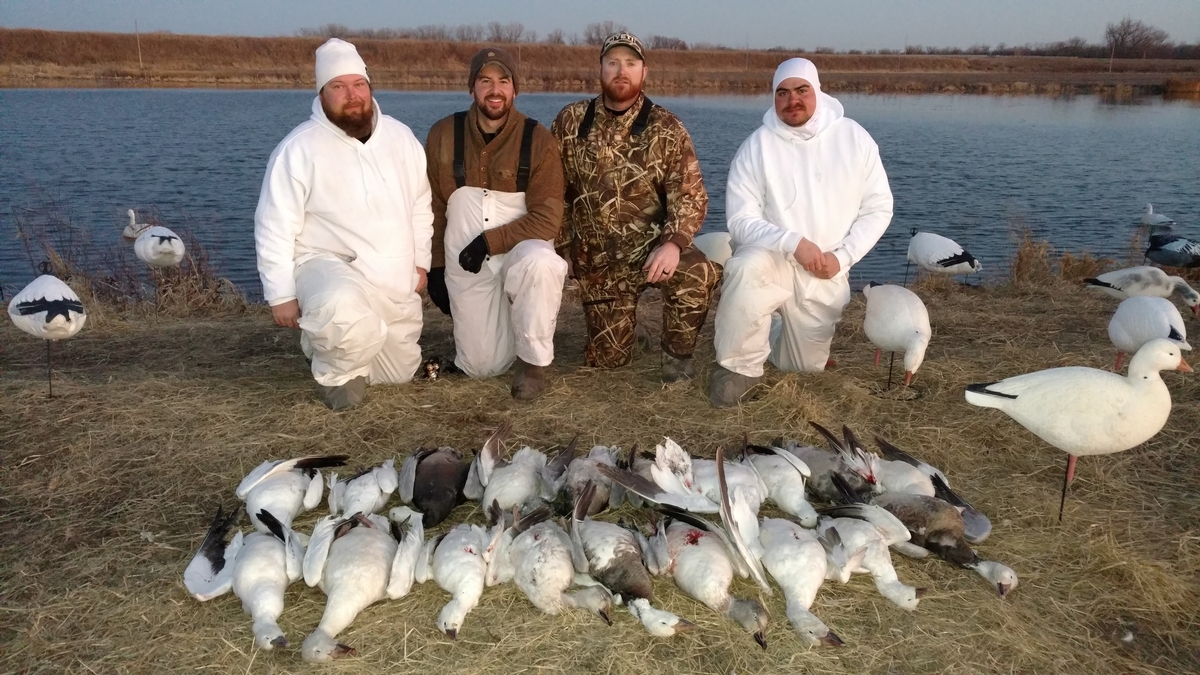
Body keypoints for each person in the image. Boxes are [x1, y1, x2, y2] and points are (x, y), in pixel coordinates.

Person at [255, 38, 433, 410]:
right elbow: (274, 224)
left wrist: (420, 263)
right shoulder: (299, 148)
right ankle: (332, 369)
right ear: (322, 94)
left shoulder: (401, 139)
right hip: (328, 268)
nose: (351, 95)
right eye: (338, 86)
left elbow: (420, 204)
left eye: (358, 84)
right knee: (343, 314)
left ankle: (329, 340)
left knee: (397, 373)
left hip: (391, 277)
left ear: (369, 87)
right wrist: (281, 294)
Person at [709, 57, 894, 407]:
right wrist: (792, 242)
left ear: (818, 92)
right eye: (782, 93)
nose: (792, 100)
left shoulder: (854, 139)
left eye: (801, 90)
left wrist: (842, 258)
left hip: (824, 269)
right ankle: (738, 369)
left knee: (803, 367)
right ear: (773, 97)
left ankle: (771, 329)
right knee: (745, 268)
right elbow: (740, 220)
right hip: (772, 257)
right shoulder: (757, 146)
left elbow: (878, 208)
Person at [551, 31, 719, 382]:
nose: (621, 71)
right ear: (600, 69)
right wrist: (562, 248)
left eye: (630, 63)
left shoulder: (667, 128)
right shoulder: (570, 122)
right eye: (612, 63)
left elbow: (691, 196)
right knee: (609, 362)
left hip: (652, 251)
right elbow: (553, 193)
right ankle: (628, 330)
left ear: (644, 72)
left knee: (696, 272)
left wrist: (673, 244)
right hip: (597, 262)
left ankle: (676, 359)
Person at [424, 47, 567, 401]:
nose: (495, 90)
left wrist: (490, 242)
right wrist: (436, 267)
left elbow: (548, 218)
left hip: (519, 249)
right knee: (482, 367)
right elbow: (433, 207)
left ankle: (532, 364)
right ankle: (503, 328)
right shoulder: (442, 134)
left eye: (503, 81)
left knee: (542, 263)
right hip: (465, 262)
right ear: (472, 88)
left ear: (515, 89)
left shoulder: (539, 140)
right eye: (485, 81)